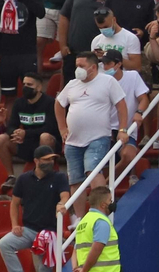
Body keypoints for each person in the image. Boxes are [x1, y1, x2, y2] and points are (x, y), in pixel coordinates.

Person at [56, 52, 130, 186]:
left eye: (81, 66)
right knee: (75, 180)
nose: (78, 69)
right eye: (76, 65)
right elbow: (59, 104)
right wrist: (62, 128)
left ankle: (101, 206)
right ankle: (80, 208)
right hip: (73, 140)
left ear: (93, 67)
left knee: (93, 171)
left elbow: (121, 106)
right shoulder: (72, 84)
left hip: (98, 137)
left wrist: (122, 129)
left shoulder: (108, 81)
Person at [0, 146, 70, 272]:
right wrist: (14, 225)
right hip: (29, 229)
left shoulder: (59, 177)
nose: (50, 162)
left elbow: (65, 195)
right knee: (4, 243)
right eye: (46, 159)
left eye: (52, 159)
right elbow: (14, 203)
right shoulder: (24, 179)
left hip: (50, 232)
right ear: (36, 161)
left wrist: (62, 203)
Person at [70, 185, 121, 272]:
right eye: (110, 200)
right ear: (103, 204)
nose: (112, 203)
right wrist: (84, 270)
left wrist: (75, 269)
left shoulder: (83, 221)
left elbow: (75, 250)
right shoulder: (101, 222)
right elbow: (96, 249)